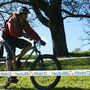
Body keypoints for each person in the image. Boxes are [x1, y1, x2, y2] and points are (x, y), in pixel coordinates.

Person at [1, 7, 45, 83]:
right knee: (11, 55)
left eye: (27, 14)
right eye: (25, 14)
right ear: (20, 14)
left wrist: (39, 39)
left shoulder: (24, 22)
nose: (26, 16)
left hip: (15, 38)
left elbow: (31, 31)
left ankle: (18, 59)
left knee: (28, 45)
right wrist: (23, 34)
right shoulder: (12, 19)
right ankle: (10, 76)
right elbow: (12, 32)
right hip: (7, 37)